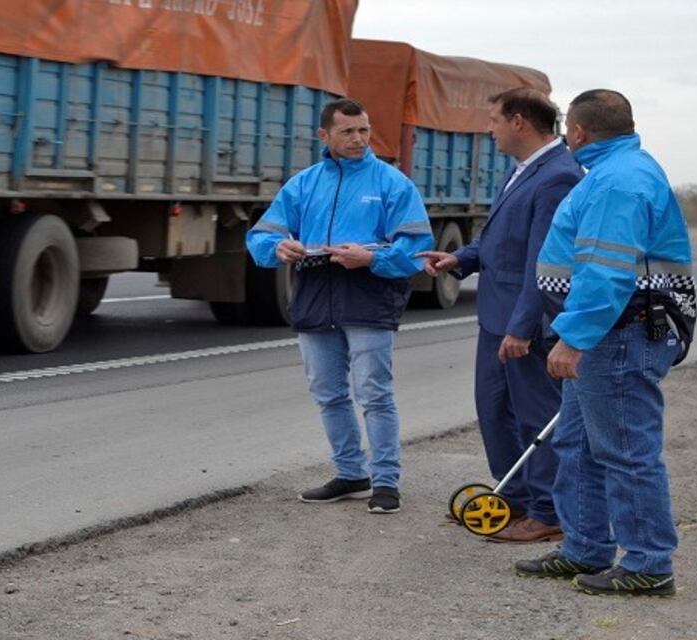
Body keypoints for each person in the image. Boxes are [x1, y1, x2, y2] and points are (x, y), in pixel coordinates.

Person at [515, 89, 697, 596]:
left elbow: (606, 270)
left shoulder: (618, 182)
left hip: (617, 333)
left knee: (624, 451)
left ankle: (648, 563)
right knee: (577, 444)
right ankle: (585, 547)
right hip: (608, 333)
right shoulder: (618, 172)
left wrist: (572, 339)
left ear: (577, 132)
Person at [246, 98, 433, 514]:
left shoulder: (393, 183)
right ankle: (351, 473)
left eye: (364, 130)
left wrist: (371, 259)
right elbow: (259, 237)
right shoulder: (303, 184)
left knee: (374, 393)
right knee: (328, 393)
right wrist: (278, 246)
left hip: (369, 294)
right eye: (348, 131)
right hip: (315, 294)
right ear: (324, 135)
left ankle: (386, 481)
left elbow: (417, 249)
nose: (358, 139)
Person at [418, 88, 581, 542]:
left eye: (493, 120)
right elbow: (503, 241)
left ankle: (547, 511)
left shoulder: (557, 177)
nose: (487, 129)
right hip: (497, 317)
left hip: (521, 325)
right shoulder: (523, 171)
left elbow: (541, 262)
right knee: (494, 412)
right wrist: (462, 259)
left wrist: (523, 326)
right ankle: (513, 497)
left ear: (519, 122)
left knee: (533, 415)